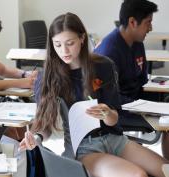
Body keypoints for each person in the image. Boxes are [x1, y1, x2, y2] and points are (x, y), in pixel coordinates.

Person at [19, 12, 167, 177]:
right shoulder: (47, 77)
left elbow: (114, 120)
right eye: (57, 44)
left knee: (166, 170)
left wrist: (107, 113)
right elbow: (45, 126)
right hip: (83, 148)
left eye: (70, 43)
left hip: (115, 139)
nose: (64, 50)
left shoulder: (103, 66)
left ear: (82, 39)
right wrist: (36, 136)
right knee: (137, 175)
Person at [94, 0, 169, 160]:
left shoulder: (137, 43)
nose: (150, 28)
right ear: (133, 22)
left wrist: (153, 104)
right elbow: (105, 99)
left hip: (135, 100)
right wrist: (145, 108)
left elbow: (141, 81)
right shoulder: (109, 51)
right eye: (148, 22)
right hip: (115, 110)